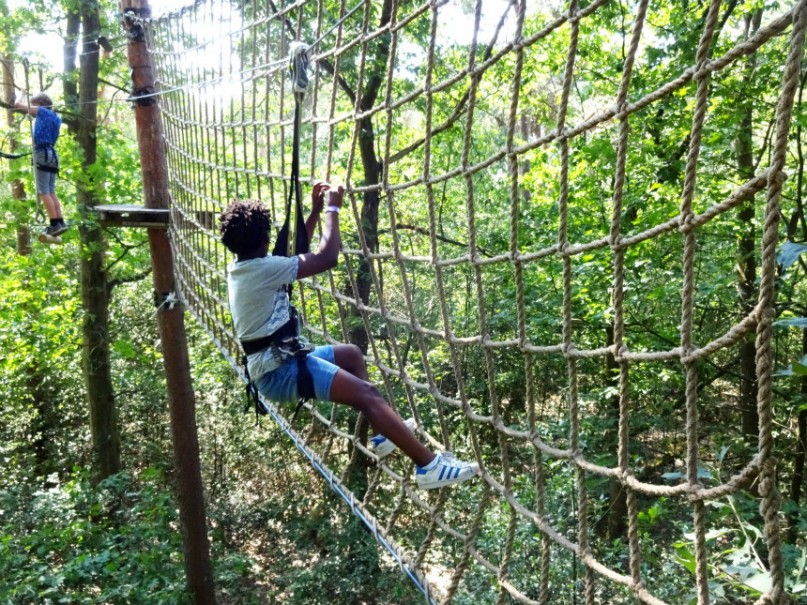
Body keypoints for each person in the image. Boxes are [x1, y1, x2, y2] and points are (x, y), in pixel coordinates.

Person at [219, 182, 480, 490]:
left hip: (280, 359)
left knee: (351, 355)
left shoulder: (245, 266)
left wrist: (314, 211)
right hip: (280, 372)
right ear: (264, 239)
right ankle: (429, 467)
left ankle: (383, 435)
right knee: (366, 393)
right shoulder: (261, 270)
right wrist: (332, 208)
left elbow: (296, 254)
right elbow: (326, 258)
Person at [15, 92, 67, 243]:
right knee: (50, 191)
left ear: (39, 103)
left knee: (44, 191)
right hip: (51, 155)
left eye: (34, 104)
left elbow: (17, 105)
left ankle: (54, 224)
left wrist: (21, 94)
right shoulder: (56, 117)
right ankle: (59, 222)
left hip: (42, 153)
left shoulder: (43, 112)